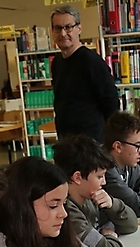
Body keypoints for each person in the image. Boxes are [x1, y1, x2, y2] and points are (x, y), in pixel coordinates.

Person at [53, 134, 138, 247]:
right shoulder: (68, 213)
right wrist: (111, 237)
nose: (104, 182)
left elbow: (131, 225)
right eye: (99, 177)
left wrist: (112, 205)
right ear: (77, 177)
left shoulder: (91, 198)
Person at [51, 5, 119, 143]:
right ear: (52, 31)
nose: (63, 33)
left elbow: (111, 105)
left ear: (79, 28)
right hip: (66, 143)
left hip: (92, 144)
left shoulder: (92, 62)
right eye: (58, 28)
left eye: (68, 27)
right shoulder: (57, 63)